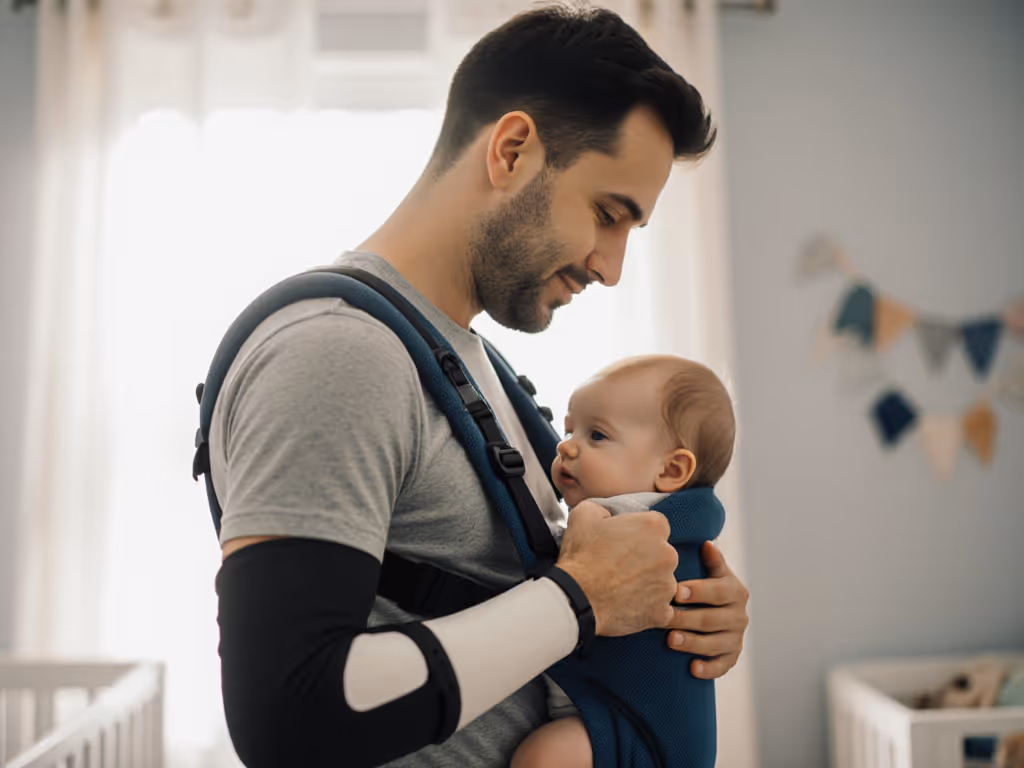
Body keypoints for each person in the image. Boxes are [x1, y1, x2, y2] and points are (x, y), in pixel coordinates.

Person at [210, 4, 750, 767]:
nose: (611, 266)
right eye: (607, 214)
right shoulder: (339, 353)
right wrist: (582, 600)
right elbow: (288, 717)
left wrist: (676, 612)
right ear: (514, 149)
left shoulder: (472, 365)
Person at [510, 355, 736, 768]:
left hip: (635, 728)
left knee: (542, 758)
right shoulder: (678, 527)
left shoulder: (632, 523)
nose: (566, 445)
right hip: (627, 720)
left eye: (596, 435)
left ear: (670, 469)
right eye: (569, 429)